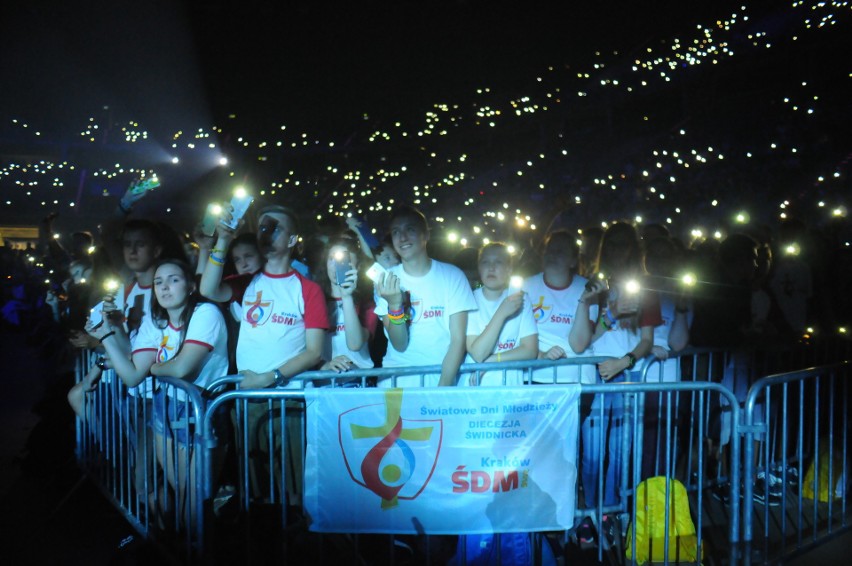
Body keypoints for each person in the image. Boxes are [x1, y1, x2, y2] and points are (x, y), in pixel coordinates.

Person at [199, 203, 328, 506]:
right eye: (263, 228)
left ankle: (296, 542)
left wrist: (269, 378)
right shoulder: (247, 282)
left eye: (275, 228)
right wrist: (222, 241)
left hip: (289, 401)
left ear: (294, 240)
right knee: (255, 488)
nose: (266, 234)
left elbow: (314, 351)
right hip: (246, 400)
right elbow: (207, 289)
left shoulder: (307, 289)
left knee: (295, 488)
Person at [88, 259, 229, 527]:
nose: (164, 287)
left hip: (203, 411)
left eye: (173, 280)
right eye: (158, 282)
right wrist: (106, 335)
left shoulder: (206, 313)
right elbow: (131, 375)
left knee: (194, 498)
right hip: (167, 409)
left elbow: (183, 369)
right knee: (182, 491)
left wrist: (154, 367)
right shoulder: (158, 322)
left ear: (190, 286)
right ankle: (180, 548)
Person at [580, 221, 662, 546]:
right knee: (592, 453)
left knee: (621, 451)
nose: (617, 250)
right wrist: (610, 312)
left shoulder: (645, 288)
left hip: (627, 376)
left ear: (633, 249)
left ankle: (610, 511)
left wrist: (624, 363)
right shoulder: (592, 285)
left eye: (623, 244)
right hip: (594, 374)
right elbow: (585, 338)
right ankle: (588, 511)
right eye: (611, 244)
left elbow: (646, 341)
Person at [373, 205, 476, 387]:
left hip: (443, 378)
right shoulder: (386, 281)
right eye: (396, 232)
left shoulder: (452, 275)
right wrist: (395, 306)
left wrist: (442, 387)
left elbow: (458, 340)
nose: (402, 237)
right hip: (398, 381)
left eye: (410, 229)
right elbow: (399, 344)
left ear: (426, 235)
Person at [522, 230, 598, 384]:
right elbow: (518, 336)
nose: (553, 255)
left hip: (577, 379)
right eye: (550, 250)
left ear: (573, 261)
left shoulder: (588, 289)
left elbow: (578, 345)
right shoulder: (526, 286)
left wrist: (583, 301)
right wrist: (541, 355)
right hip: (534, 376)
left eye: (560, 251)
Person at [463, 243, 538, 386]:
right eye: (485, 262)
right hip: (475, 386)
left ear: (509, 269)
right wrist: (502, 313)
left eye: (498, 262)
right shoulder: (469, 300)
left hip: (510, 387)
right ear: (479, 267)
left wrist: (492, 360)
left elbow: (530, 350)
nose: (491, 267)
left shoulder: (522, 299)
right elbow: (478, 354)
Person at [315, 237, 377, 374]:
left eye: (344, 261)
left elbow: (355, 344)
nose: (337, 266)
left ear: (358, 267)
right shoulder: (314, 301)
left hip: (358, 382)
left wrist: (346, 296)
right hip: (323, 384)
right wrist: (325, 365)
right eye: (332, 259)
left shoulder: (367, 305)